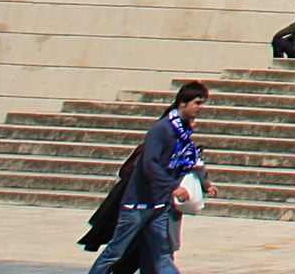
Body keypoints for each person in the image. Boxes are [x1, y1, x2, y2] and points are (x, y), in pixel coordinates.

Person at [80, 80, 207, 274]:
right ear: (183, 102)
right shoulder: (162, 129)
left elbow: (184, 163)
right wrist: (173, 186)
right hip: (137, 205)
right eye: (197, 103)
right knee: (115, 252)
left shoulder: (182, 134)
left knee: (161, 255)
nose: (200, 108)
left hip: (159, 205)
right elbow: (150, 164)